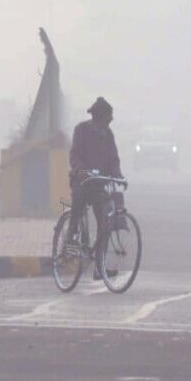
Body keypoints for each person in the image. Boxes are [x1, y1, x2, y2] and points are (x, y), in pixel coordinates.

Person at [68, 97, 125, 265]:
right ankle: (70, 237)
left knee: (105, 224)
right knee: (78, 203)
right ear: (98, 118)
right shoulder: (81, 130)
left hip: (99, 183)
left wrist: (117, 174)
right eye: (107, 118)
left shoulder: (108, 135)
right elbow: (75, 155)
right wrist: (80, 171)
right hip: (82, 182)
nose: (110, 122)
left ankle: (99, 267)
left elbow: (114, 158)